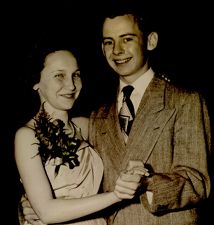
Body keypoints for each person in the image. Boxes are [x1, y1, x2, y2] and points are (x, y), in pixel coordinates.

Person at [21, 0, 212, 224]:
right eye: (109, 42)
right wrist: (30, 203)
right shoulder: (98, 115)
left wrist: (148, 183)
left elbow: (197, 182)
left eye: (127, 39)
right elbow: (69, 175)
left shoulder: (184, 101)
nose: (117, 50)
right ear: (103, 49)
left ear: (150, 41)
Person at [15, 34, 149, 225]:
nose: (71, 85)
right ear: (36, 81)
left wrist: (133, 171)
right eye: (59, 76)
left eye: (76, 75)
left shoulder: (88, 125)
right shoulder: (26, 136)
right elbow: (46, 212)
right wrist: (116, 195)